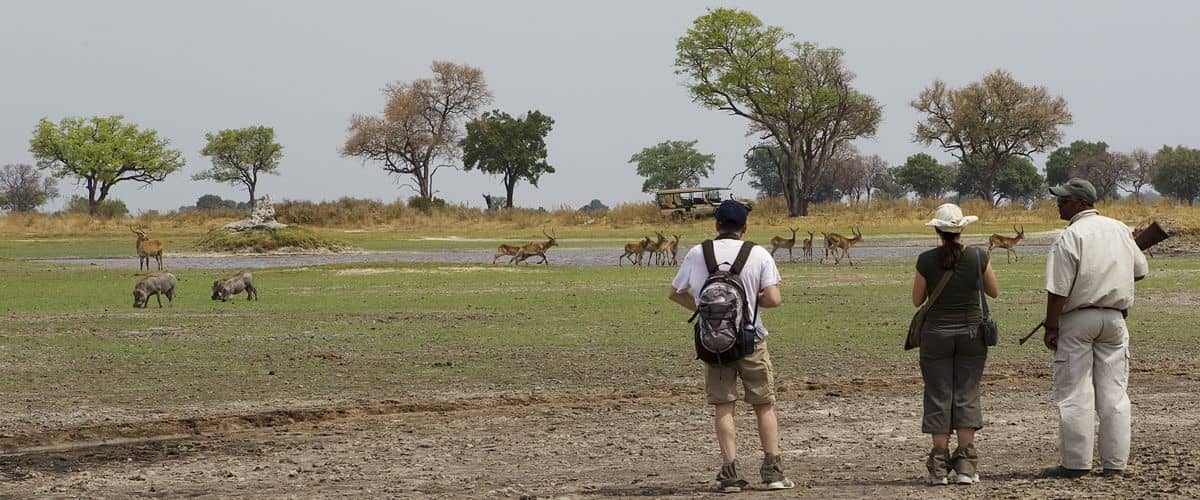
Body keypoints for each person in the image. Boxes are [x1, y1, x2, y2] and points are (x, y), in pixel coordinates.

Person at [668, 200, 794, 492]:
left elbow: (675, 293)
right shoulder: (758, 253)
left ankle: (729, 475)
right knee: (763, 405)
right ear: (745, 227)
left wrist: (702, 307)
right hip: (752, 340)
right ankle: (773, 473)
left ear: (716, 225)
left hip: (714, 343)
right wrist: (751, 302)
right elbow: (774, 300)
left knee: (724, 406)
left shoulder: (698, 252)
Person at [1040, 178, 1148, 479]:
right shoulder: (1119, 229)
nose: (1059, 204)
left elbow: (1058, 289)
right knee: (1114, 393)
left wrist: (1050, 326)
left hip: (1078, 320)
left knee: (1076, 392)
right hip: (1114, 319)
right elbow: (1140, 271)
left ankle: (1076, 464)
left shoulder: (1070, 235)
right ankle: (1115, 465)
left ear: (1081, 203)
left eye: (1064, 200)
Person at [910, 203, 999, 485]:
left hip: (935, 335)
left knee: (938, 394)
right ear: (963, 228)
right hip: (972, 334)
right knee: (966, 393)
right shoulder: (978, 256)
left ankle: (938, 467)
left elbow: (916, 300)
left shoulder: (925, 259)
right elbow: (993, 291)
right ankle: (965, 466)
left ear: (937, 229)